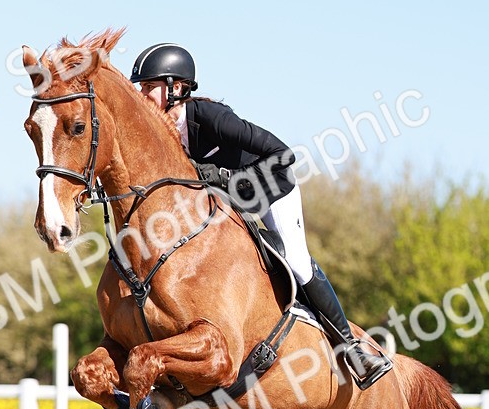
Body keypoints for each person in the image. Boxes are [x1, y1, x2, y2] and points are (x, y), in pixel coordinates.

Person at [130, 43, 393, 389]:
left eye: (149, 87)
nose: (142, 95)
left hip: (271, 189)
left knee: (296, 261)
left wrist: (226, 179)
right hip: (225, 203)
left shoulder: (211, 118)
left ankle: (352, 347)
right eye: (141, 88)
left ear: (176, 88)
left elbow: (282, 155)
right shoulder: (163, 132)